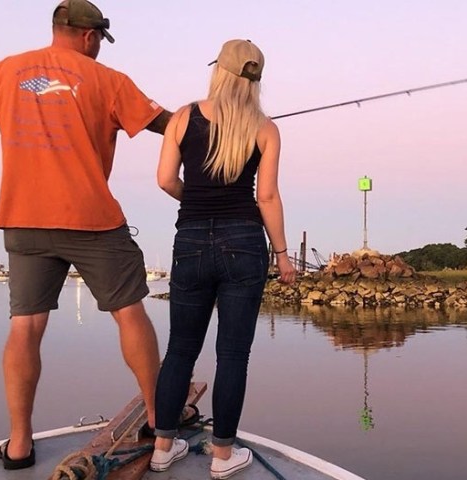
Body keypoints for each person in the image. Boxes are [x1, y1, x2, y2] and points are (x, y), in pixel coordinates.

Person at [0, 0, 172, 470]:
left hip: (23, 217)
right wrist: (210, 124)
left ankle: (19, 444)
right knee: (130, 313)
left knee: (25, 327)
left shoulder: (4, 72)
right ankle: (156, 419)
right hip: (90, 217)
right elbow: (164, 125)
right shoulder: (108, 80)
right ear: (91, 37)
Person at [149, 39, 296, 478]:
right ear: (256, 79)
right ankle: (223, 456)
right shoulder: (266, 129)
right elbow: (266, 196)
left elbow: (164, 180)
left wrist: (193, 199)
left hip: (190, 240)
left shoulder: (182, 117)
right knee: (233, 354)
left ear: (219, 69)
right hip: (244, 242)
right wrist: (283, 255)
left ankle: (162, 447)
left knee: (179, 350)